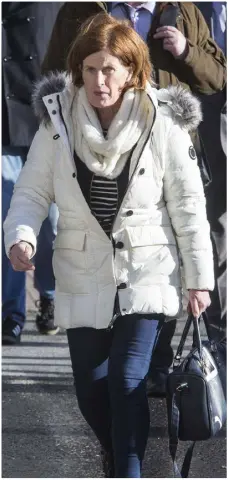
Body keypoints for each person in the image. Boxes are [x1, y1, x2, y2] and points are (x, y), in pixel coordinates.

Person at [4, 14, 214, 477]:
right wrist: (20, 236)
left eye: (111, 69)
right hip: (82, 272)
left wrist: (199, 280)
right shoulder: (57, 120)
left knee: (127, 378)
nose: (100, 80)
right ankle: (123, 449)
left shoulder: (161, 120)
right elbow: (32, 192)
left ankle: (129, 469)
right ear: (78, 69)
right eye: (92, 68)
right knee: (92, 389)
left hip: (149, 269)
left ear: (132, 72)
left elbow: (188, 206)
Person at [41, 1, 226, 396]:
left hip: (165, 149)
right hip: (96, 150)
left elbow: (217, 78)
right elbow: (52, 74)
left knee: (171, 243)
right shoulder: (80, 10)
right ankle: (125, 353)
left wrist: (186, 52)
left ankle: (155, 354)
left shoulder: (184, 10)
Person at [2, 2, 63, 344]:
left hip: (44, 114)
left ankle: (50, 297)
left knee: (50, 220)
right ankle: (11, 311)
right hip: (3, 118)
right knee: (8, 215)